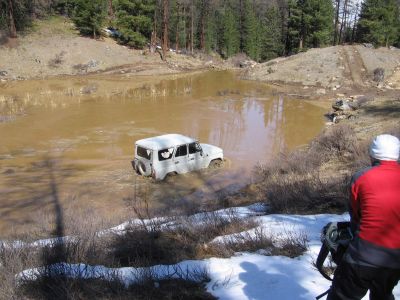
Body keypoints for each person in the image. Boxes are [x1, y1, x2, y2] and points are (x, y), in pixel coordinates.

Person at [327, 134, 400, 300]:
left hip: (364, 253)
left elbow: (356, 214)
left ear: (372, 154)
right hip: (396, 259)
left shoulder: (361, 177)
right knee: (383, 295)